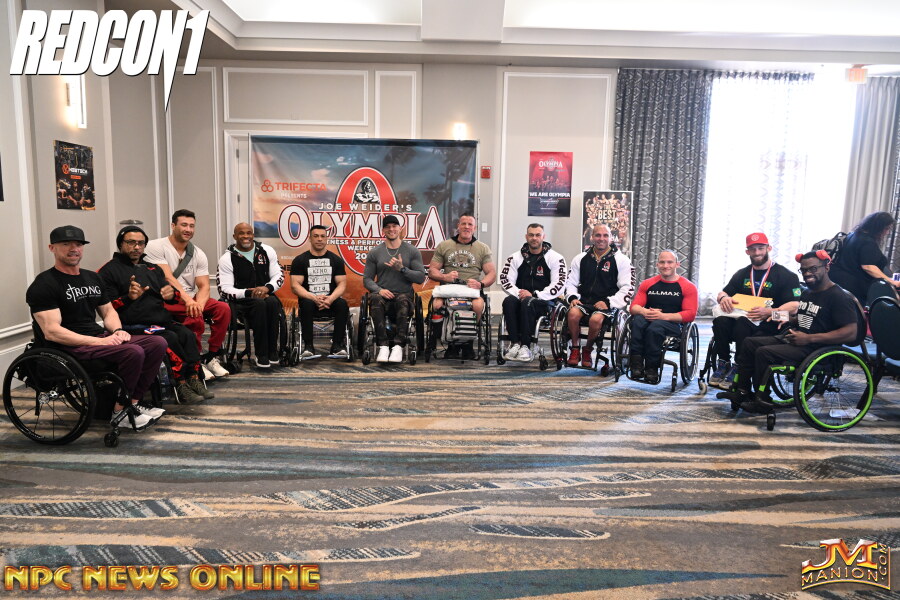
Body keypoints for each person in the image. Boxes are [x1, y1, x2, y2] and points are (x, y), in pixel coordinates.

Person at [26, 226, 166, 430]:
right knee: (133, 352)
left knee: (157, 343)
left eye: (78, 244)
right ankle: (120, 411)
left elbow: (108, 312)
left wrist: (117, 331)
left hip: (96, 338)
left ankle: (133, 403)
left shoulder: (92, 278)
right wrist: (101, 341)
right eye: (66, 244)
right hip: (69, 347)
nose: (73, 248)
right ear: (52, 248)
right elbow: (52, 332)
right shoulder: (44, 284)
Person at [718, 250, 858, 413]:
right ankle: (742, 391)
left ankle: (762, 400)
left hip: (817, 347)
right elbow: (801, 318)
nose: (807, 273)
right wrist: (774, 314)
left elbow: (850, 333)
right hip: (798, 339)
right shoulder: (808, 293)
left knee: (764, 352)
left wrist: (809, 338)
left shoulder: (838, 296)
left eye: (813, 269)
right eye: (803, 270)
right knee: (749, 343)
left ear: (826, 267)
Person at [98, 226, 213, 404]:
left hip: (161, 322)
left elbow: (173, 297)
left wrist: (171, 294)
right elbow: (106, 308)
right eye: (131, 242)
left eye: (141, 243)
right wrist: (128, 298)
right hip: (133, 326)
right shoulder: (108, 271)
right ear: (121, 244)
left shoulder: (152, 268)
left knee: (187, 335)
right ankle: (180, 384)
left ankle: (193, 378)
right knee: (171, 338)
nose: (137, 247)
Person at [145, 209, 232, 378]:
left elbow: (204, 285)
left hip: (191, 298)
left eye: (192, 226)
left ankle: (211, 356)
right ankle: (196, 361)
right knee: (193, 315)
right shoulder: (156, 246)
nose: (188, 229)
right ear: (173, 226)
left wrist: (198, 304)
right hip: (168, 298)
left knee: (223, 309)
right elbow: (168, 277)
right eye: (184, 225)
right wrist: (189, 302)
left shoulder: (198, 253)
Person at [710, 233, 802, 389]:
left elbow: (795, 306)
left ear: (769, 248)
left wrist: (770, 312)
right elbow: (723, 292)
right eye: (753, 249)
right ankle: (723, 362)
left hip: (773, 319)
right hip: (744, 319)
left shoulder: (786, 275)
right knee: (721, 321)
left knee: (743, 323)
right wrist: (724, 298)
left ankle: (739, 366)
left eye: (761, 248)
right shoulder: (742, 274)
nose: (757, 252)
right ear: (747, 252)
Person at [217, 223, 285, 370]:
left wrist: (267, 288)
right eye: (241, 233)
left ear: (253, 235)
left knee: (272, 302)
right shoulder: (227, 258)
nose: (246, 236)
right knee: (260, 304)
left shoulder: (267, 251)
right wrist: (249, 292)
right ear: (235, 236)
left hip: (266, 295)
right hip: (241, 301)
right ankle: (262, 354)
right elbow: (224, 289)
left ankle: (272, 351)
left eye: (249, 233)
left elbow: (278, 275)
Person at [427, 214, 496, 359]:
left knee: (478, 305)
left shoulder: (482, 248)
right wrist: (444, 277)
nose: (466, 227)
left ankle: (468, 342)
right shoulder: (445, 245)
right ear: (458, 226)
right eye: (463, 224)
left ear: (474, 228)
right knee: (437, 304)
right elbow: (432, 270)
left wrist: (480, 284)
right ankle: (448, 340)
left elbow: (491, 273)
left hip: (471, 290)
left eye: (470, 224)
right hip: (449, 289)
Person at [564, 224, 633, 368]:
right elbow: (571, 282)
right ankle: (575, 348)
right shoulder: (580, 258)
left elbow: (627, 288)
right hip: (584, 301)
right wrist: (573, 297)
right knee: (572, 314)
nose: (601, 239)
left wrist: (609, 302)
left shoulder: (621, 260)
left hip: (607, 304)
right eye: (598, 235)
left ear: (611, 238)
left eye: (605, 235)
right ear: (592, 237)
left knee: (595, 320)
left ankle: (588, 349)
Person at [363, 215, 427, 363]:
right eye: (387, 227)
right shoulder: (375, 252)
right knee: (375, 298)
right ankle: (383, 346)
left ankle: (398, 346)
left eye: (394, 226)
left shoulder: (412, 251)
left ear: (400, 228)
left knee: (402, 299)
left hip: (404, 295)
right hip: (382, 294)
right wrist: (379, 290)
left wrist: (402, 269)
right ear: (383, 230)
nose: (391, 229)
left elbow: (420, 278)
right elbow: (367, 279)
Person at [498, 223, 567, 362]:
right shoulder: (515, 257)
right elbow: (505, 279)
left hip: (544, 302)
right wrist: (520, 293)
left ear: (543, 237)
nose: (534, 238)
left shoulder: (556, 258)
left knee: (528, 302)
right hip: (521, 298)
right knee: (508, 301)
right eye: (531, 235)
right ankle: (515, 344)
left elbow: (559, 285)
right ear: (526, 237)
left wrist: (535, 295)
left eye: (537, 235)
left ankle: (526, 346)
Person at [628, 250, 698, 383]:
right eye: (662, 262)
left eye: (670, 262)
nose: (666, 266)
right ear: (657, 264)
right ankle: (636, 364)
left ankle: (652, 368)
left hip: (672, 323)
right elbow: (634, 307)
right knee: (637, 321)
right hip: (649, 317)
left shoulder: (688, 286)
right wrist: (645, 312)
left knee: (655, 328)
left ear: (677, 264)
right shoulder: (648, 283)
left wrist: (662, 316)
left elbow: (690, 314)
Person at [290, 224, 350, 358]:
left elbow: (342, 284)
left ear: (326, 238)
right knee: (307, 304)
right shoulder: (300, 260)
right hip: (309, 301)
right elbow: (295, 285)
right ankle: (308, 347)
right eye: (316, 236)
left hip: (331, 301)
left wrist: (330, 299)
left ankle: (337, 345)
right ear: (310, 238)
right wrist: (313, 298)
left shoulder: (336, 260)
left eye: (323, 236)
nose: (319, 239)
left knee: (342, 304)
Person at [829, 211, 900, 303]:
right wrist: (891, 282)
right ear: (878, 227)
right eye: (886, 229)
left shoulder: (853, 235)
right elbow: (868, 267)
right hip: (855, 287)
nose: (887, 232)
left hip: (840, 281)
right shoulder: (867, 242)